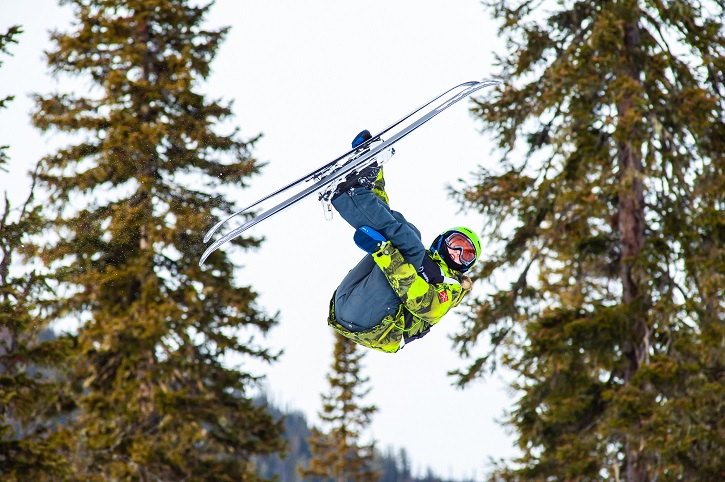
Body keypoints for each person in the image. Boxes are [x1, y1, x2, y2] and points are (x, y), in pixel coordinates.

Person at [326, 130, 481, 353]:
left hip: (374, 324)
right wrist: (376, 172)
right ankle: (362, 184)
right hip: (346, 299)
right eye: (456, 242)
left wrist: (383, 251)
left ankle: (345, 194)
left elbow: (423, 303)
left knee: (410, 245)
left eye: (466, 254)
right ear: (443, 240)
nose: (457, 252)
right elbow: (382, 219)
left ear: (467, 265)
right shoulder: (420, 257)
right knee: (405, 233)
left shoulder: (453, 287)